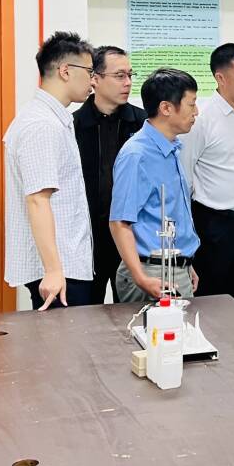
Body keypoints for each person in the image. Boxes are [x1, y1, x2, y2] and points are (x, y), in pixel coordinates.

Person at [4, 31, 97, 311]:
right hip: (60, 270)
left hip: (67, 263)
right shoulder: (41, 125)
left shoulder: (55, 119)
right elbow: (37, 199)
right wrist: (54, 270)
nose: (93, 80)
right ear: (65, 71)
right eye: (89, 72)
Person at [110, 68, 202, 303]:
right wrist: (141, 278)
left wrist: (184, 263)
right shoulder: (137, 155)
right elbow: (119, 223)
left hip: (173, 266)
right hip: (151, 273)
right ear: (166, 108)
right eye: (191, 104)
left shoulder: (172, 148)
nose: (196, 112)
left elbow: (167, 213)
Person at [181, 43, 234, 306]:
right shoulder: (202, 119)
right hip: (213, 224)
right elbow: (184, 176)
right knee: (211, 303)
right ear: (220, 78)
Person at [73, 46, 146, 304]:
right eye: (119, 76)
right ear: (95, 78)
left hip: (130, 235)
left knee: (131, 313)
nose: (128, 83)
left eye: (130, 75)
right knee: (85, 314)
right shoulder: (74, 125)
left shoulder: (142, 124)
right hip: (87, 239)